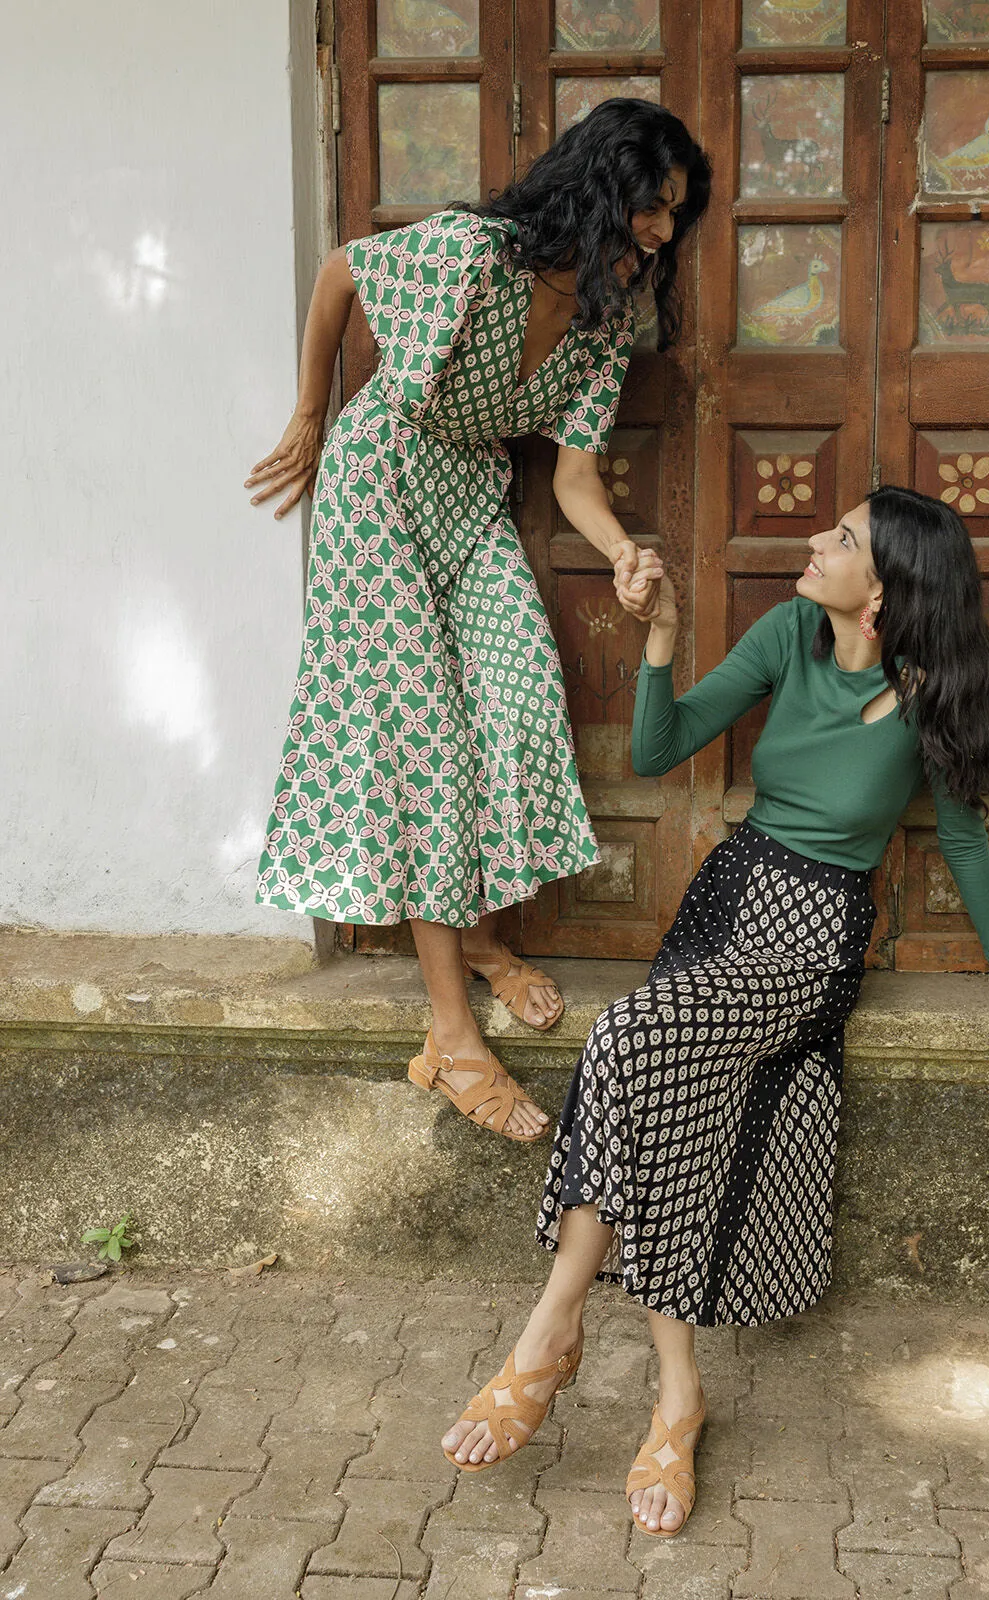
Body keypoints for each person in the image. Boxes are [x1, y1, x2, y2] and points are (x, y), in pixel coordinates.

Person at [439, 486, 989, 1534]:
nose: (813, 542)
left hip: (812, 941)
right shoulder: (786, 636)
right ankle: (674, 1395)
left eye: (840, 538)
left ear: (886, 593)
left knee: (629, 1038)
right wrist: (662, 636)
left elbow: (963, 842)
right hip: (727, 902)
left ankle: (550, 1331)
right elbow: (659, 751)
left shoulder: (925, 689)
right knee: (659, 1076)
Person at [245, 101, 710, 1142]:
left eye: (676, 216)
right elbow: (339, 274)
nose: (662, 233)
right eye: (652, 207)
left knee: (517, 703)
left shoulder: (603, 318)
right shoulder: (472, 255)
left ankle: (484, 943)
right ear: (601, 187)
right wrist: (312, 410)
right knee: (426, 751)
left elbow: (578, 478)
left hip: (468, 498)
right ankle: (451, 1037)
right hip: (379, 490)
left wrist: (622, 548)